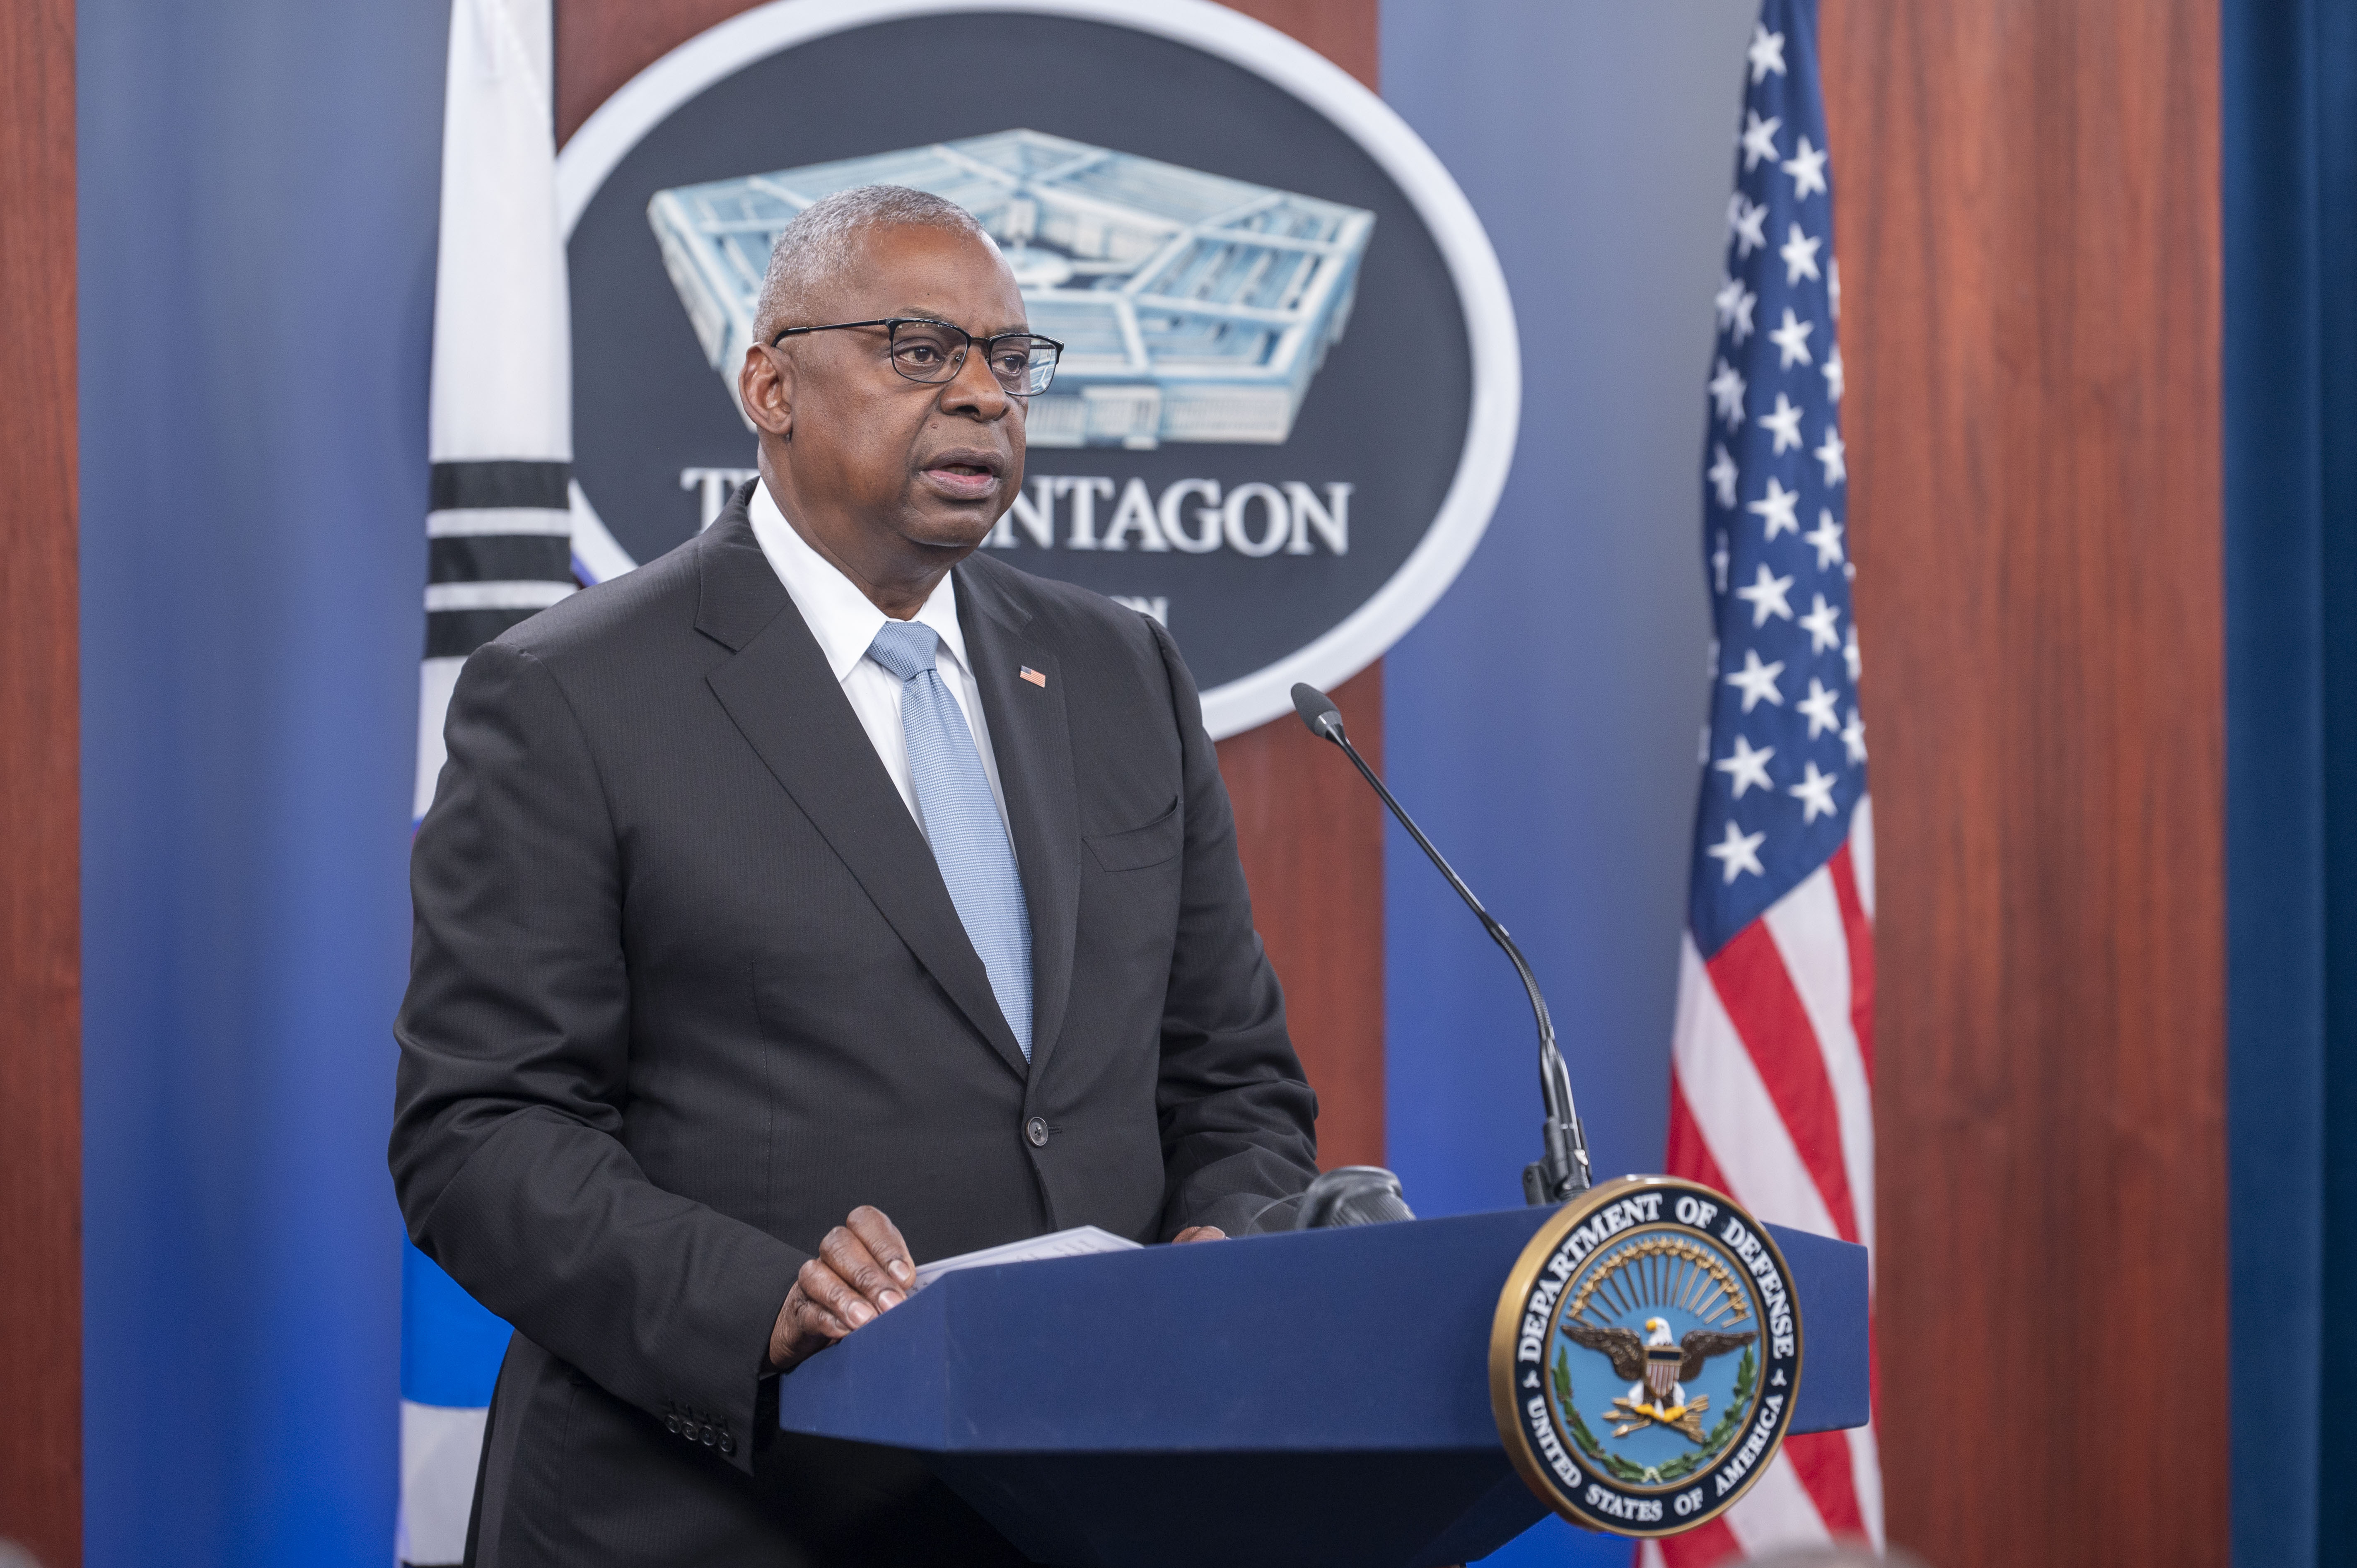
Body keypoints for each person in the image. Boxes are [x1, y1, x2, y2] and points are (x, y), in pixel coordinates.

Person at [389, 185, 1320, 1567]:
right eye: (917, 348)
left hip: (1079, 1504)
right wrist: (767, 1299)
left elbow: (1230, 1071)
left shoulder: (1121, 669)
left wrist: (1221, 1239)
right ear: (769, 381)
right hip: (716, 1508)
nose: (983, 398)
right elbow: (479, 1132)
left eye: (1010, 359)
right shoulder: (570, 693)